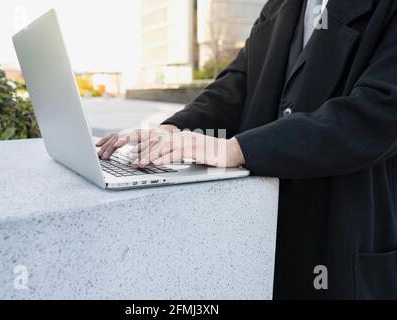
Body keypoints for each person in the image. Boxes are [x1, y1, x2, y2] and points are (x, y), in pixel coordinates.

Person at [97, 0, 397, 299]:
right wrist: (171, 128)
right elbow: (236, 84)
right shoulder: (280, 6)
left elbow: (377, 114)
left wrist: (237, 149)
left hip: (341, 235)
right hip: (263, 230)